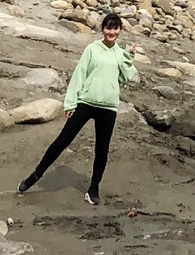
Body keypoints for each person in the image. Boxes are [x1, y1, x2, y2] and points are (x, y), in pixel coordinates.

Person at [18, 11, 138, 206]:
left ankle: (93, 189)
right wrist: (71, 102)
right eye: (108, 27)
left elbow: (124, 79)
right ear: (103, 29)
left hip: (108, 107)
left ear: (120, 31)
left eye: (115, 28)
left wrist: (129, 57)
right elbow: (79, 75)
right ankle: (36, 175)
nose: (111, 32)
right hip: (86, 103)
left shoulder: (120, 53)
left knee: (102, 150)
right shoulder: (92, 49)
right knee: (63, 140)